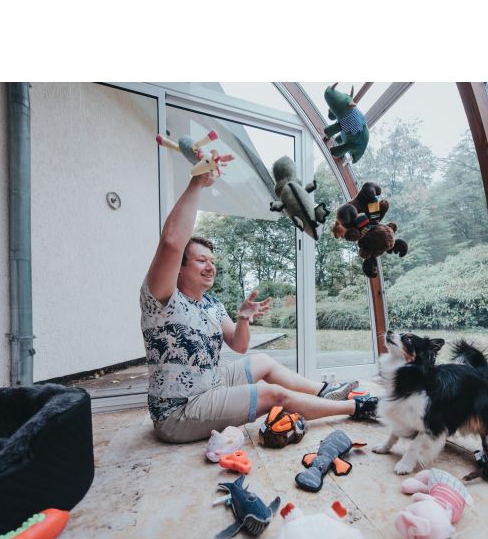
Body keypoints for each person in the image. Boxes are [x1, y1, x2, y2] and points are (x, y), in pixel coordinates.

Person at [140, 173, 379, 443]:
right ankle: (356, 407)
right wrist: (197, 183)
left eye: (212, 261)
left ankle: (324, 391)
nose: (210, 267)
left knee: (262, 361)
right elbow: (171, 242)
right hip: (180, 411)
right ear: (179, 268)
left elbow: (239, 345)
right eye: (201, 261)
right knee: (272, 394)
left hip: (211, 383)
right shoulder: (162, 298)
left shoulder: (211, 303)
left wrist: (243, 319)